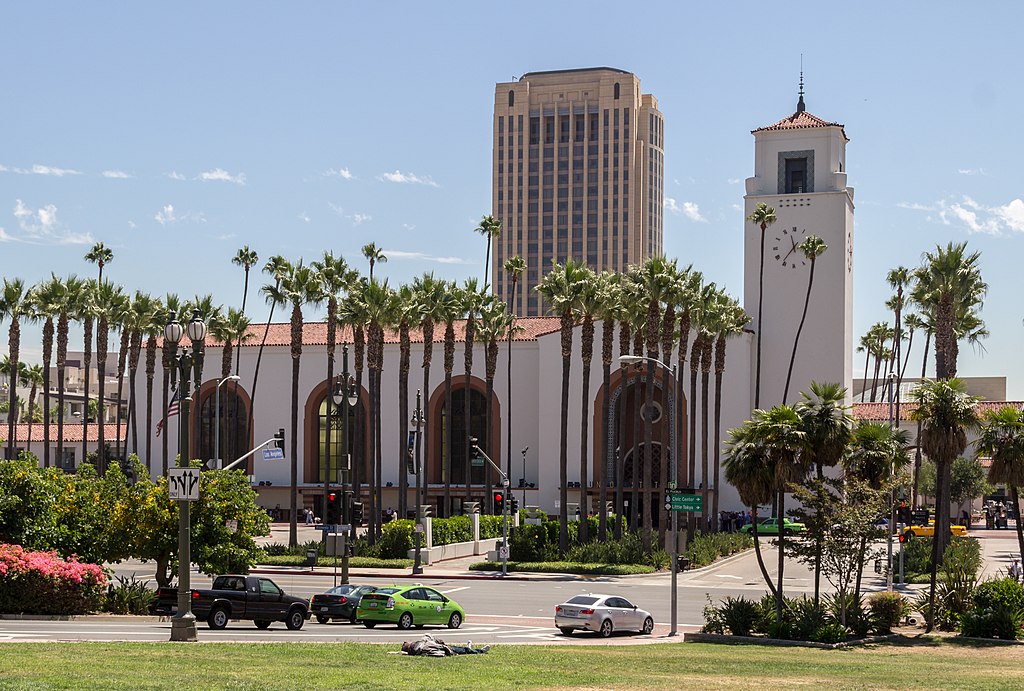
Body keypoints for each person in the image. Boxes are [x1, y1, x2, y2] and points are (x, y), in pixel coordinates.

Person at [401, 634, 490, 656]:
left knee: (462, 649)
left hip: (442, 647)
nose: (408, 641)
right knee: (464, 650)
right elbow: (433, 651)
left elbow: (427, 637)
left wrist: (436, 641)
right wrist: (442, 647)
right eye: (407, 643)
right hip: (444, 649)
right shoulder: (419, 647)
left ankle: (469, 647)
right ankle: (480, 651)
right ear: (408, 646)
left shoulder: (418, 644)